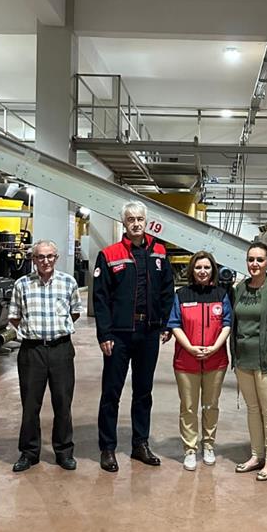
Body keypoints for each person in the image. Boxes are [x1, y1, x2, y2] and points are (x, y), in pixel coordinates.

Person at [92, 201, 175, 472]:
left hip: (148, 333)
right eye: (131, 219)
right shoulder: (109, 254)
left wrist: (165, 324)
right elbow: (100, 298)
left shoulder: (160, 252)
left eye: (140, 219)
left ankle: (140, 443)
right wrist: (104, 333)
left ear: (146, 222)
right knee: (111, 392)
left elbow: (167, 290)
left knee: (143, 391)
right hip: (119, 335)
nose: (136, 223)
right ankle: (107, 447)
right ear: (124, 223)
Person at [8, 239, 81, 473]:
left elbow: (74, 312)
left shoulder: (68, 282)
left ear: (56, 258)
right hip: (32, 351)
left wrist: (56, 331)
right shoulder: (22, 285)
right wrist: (34, 332)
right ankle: (29, 453)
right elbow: (15, 316)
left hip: (61, 349)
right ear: (33, 259)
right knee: (30, 404)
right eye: (40, 256)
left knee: (63, 402)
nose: (45, 261)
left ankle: (64, 452)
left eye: (50, 256)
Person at [166, 251, 232, 471]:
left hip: (216, 361)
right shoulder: (181, 295)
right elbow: (175, 324)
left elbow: (227, 323)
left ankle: (209, 445)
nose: (202, 271)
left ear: (213, 270)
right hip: (186, 362)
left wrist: (214, 348)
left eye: (206, 267)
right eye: (198, 267)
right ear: (192, 270)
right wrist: (190, 348)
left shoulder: (221, 294)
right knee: (189, 407)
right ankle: (190, 449)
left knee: (211, 405)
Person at [231, 243, 267, 482]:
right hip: (243, 359)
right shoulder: (239, 288)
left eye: (260, 260)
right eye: (251, 259)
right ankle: (256, 455)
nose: (254, 264)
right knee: (253, 409)